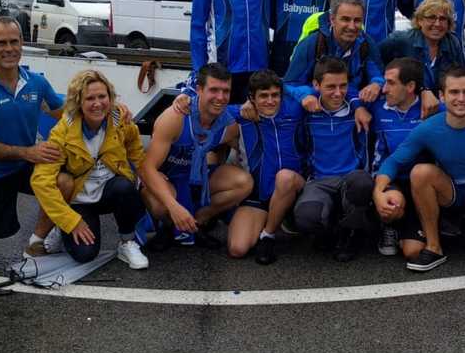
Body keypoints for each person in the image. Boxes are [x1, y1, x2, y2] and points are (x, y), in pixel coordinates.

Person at [371, 66, 465, 272]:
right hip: (451, 190)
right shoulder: (428, 128)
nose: (461, 98)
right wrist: (378, 192)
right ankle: (434, 247)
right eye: (454, 92)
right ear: (442, 96)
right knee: (420, 172)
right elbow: (393, 162)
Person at [0, 16, 65, 251]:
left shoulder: (37, 83)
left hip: (26, 163)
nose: (9, 49)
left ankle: (39, 239)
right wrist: (27, 152)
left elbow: (65, 113)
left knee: (65, 182)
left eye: (14, 42)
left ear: (21, 43)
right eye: (1, 43)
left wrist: (112, 108)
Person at [29, 70, 149, 268]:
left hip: (110, 192)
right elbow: (41, 181)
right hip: (79, 199)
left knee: (125, 187)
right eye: (90, 98)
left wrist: (155, 183)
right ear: (78, 102)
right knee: (85, 255)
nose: (97, 103)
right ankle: (60, 227)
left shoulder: (122, 122)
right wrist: (70, 221)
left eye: (102, 96)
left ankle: (127, 242)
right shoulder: (62, 131)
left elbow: (138, 156)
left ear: (110, 98)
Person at [138, 63, 254, 250]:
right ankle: (168, 224)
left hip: (196, 177)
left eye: (226, 91)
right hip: (167, 178)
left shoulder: (228, 125)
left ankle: (196, 221)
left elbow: (222, 150)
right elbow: (147, 168)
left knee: (243, 182)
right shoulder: (176, 117)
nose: (220, 97)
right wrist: (174, 207)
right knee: (160, 204)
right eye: (214, 90)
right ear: (199, 89)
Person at [293, 58, 376, 261]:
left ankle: (352, 233)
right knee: (306, 217)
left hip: (351, 177)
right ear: (316, 85)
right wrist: (303, 95)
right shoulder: (305, 112)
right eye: (330, 87)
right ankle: (330, 230)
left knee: (362, 182)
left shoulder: (359, 109)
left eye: (343, 86)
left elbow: (386, 87)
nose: (338, 93)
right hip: (319, 180)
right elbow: (284, 85)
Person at [228, 70, 307, 264]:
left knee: (285, 177)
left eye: (275, 95)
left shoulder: (294, 109)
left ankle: (268, 236)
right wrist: (185, 98)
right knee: (237, 249)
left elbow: (314, 89)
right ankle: (271, 218)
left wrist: (303, 95)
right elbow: (209, 108)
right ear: (252, 98)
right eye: (263, 96)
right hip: (261, 193)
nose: (270, 101)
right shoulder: (244, 113)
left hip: (296, 185)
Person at [361, 57, 429, 257]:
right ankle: (388, 225)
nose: (384, 89)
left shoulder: (430, 108)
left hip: (420, 182)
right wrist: (358, 107)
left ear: (410, 87)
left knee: (413, 252)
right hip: (388, 179)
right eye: (384, 82)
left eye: (391, 83)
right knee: (393, 203)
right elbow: (345, 94)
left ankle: (425, 221)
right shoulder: (376, 107)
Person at [283, 0, 384, 105]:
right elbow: (289, 84)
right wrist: (305, 96)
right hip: (317, 105)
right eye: (345, 19)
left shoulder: (366, 44)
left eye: (357, 20)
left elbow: (378, 75)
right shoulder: (312, 44)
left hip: (352, 104)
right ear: (332, 19)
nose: (352, 27)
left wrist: (376, 84)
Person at [378, 0, 465, 115]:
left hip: (440, 108)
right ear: (420, 20)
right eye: (431, 17)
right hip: (406, 108)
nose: (437, 24)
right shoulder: (401, 40)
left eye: (443, 19)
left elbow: (461, 76)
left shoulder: (453, 43)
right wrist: (380, 83)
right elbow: (375, 61)